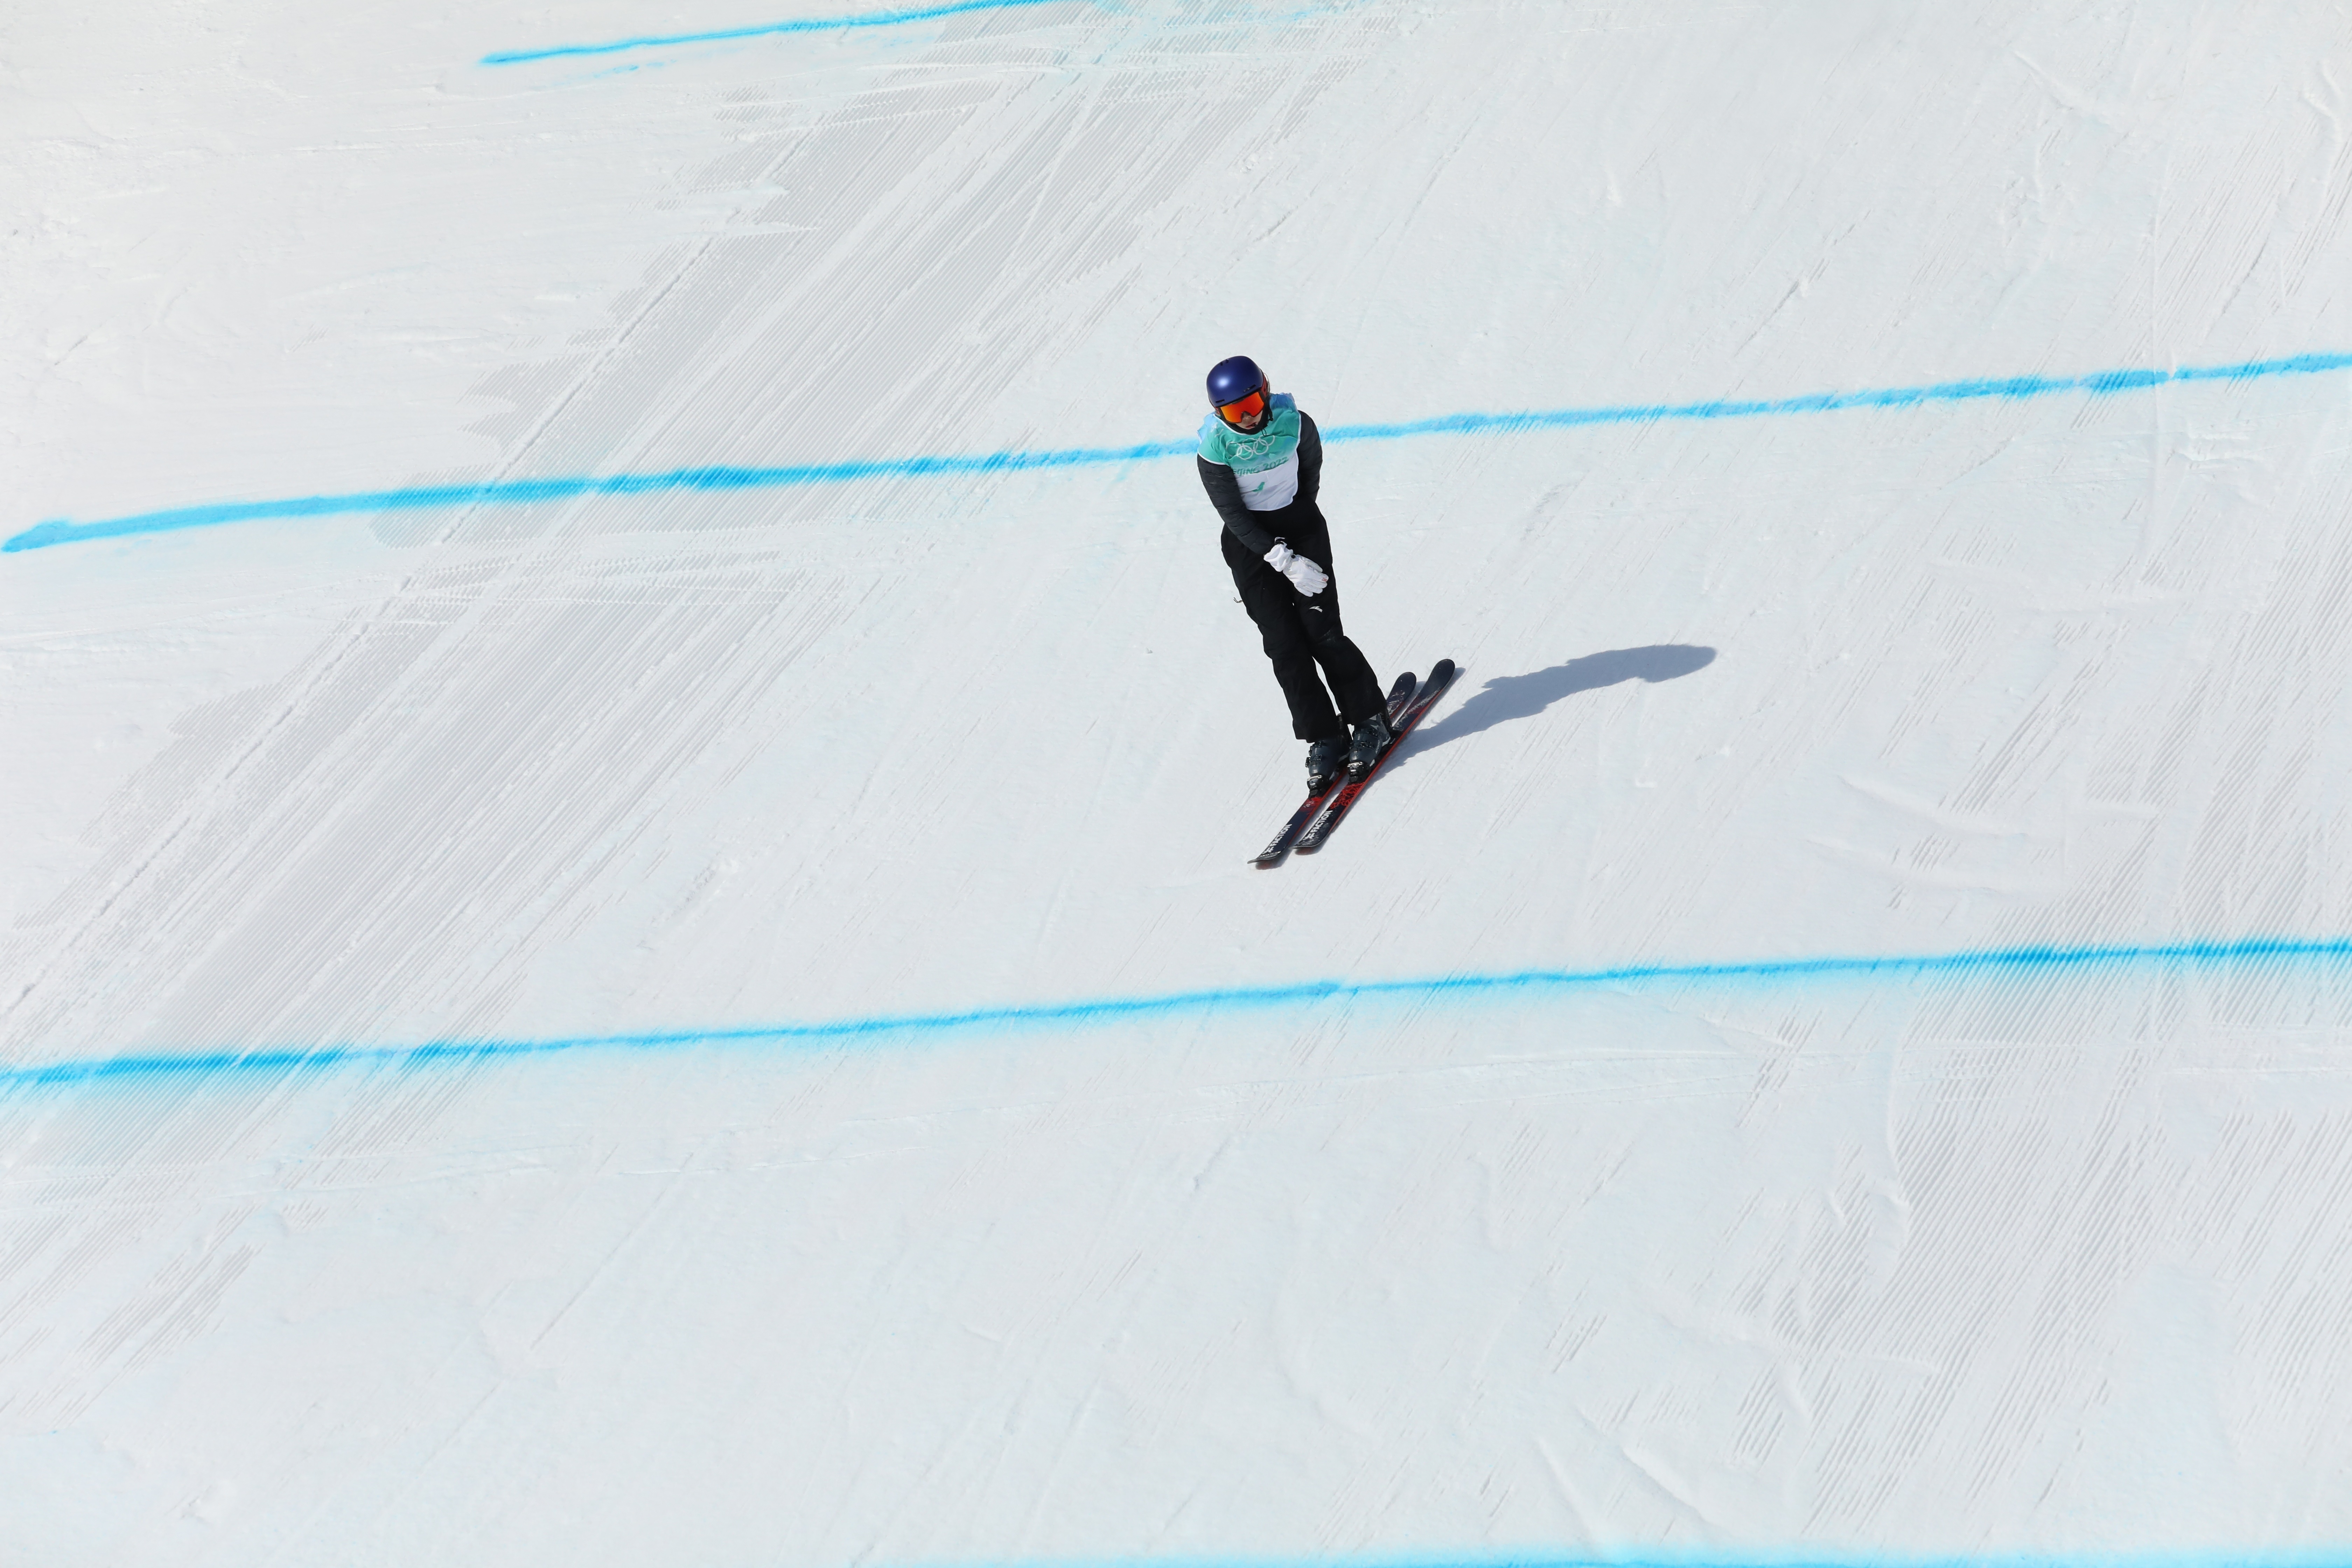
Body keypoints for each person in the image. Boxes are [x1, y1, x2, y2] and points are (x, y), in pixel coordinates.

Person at [1195, 355, 1390, 791]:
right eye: (1232, 412)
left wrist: (1300, 530)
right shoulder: (1214, 450)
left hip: (1300, 528)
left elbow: (1310, 475)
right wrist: (1282, 559)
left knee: (1323, 633)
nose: (1246, 418)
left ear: (1265, 391)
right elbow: (1232, 514)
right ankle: (1325, 734)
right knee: (1284, 647)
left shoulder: (1297, 424)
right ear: (1218, 414)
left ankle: (1369, 718)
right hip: (1251, 546)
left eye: (1250, 404)